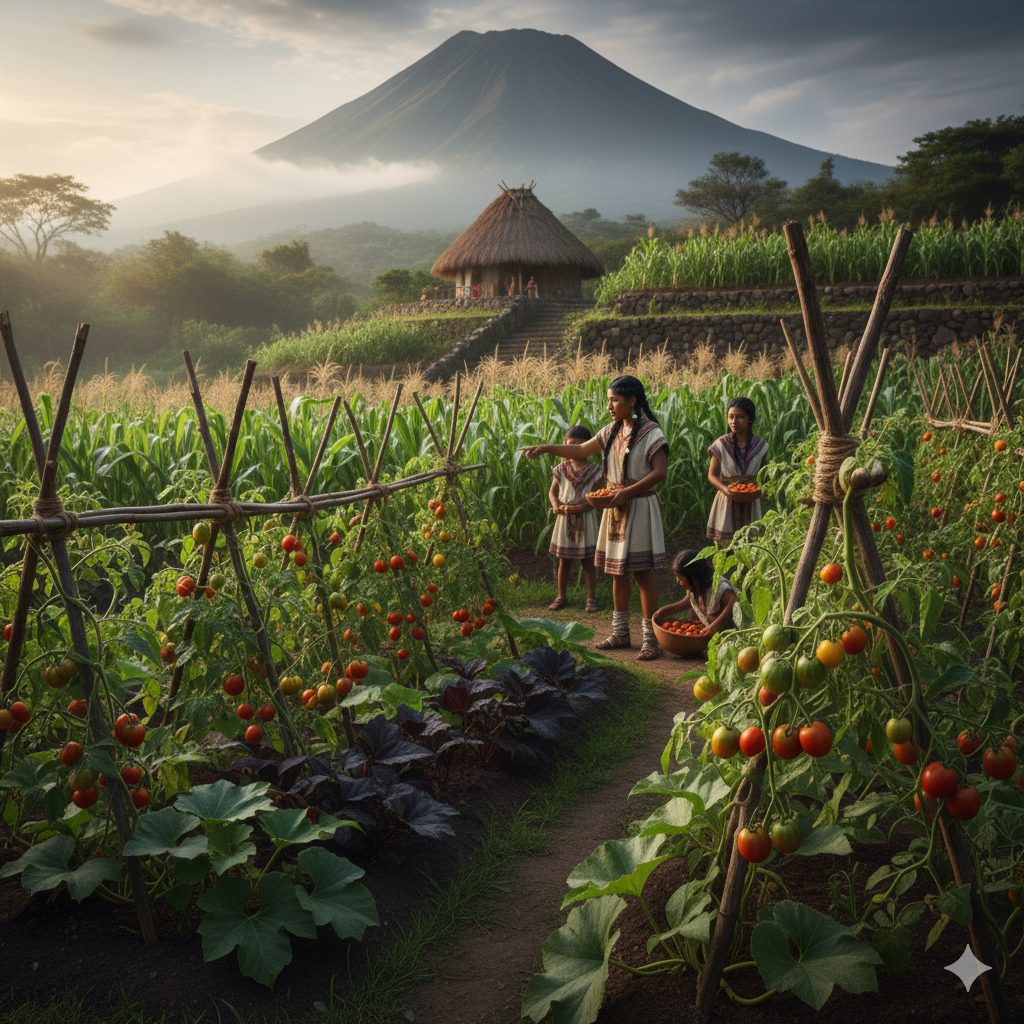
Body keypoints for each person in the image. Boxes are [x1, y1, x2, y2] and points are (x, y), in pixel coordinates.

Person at [525, 375, 668, 659]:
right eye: (608, 400)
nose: (610, 406)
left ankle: (650, 640)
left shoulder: (652, 433)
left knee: (642, 573)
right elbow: (579, 450)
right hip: (615, 507)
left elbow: (659, 472)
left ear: (632, 401)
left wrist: (628, 491)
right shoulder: (611, 431)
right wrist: (547, 448)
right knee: (617, 572)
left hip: (638, 505)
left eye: (614, 400)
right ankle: (620, 633)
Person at [546, 426, 603, 612]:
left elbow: (600, 494)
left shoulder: (595, 470)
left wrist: (585, 505)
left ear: (588, 446)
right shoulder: (561, 469)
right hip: (564, 518)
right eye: (570, 445)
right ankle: (560, 596)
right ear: (565, 446)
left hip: (586, 518)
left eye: (578, 445)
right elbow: (552, 492)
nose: (573, 449)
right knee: (564, 560)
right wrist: (555, 505)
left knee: (587, 561)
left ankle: (591, 598)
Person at [706, 397, 768, 544]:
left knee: (752, 545)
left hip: (751, 500)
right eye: (731, 416)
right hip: (727, 499)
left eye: (740, 417)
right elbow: (712, 476)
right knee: (727, 548)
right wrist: (726, 490)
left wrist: (759, 489)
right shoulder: (721, 444)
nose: (734, 421)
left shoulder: (760, 446)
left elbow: (763, 474)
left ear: (750, 419)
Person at [655, 549, 736, 637]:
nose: (677, 581)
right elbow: (687, 602)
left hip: (731, 631)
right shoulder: (695, 586)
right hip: (712, 630)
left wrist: (714, 626)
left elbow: (733, 601)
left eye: (680, 577)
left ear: (694, 577)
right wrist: (665, 611)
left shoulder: (719, 588)